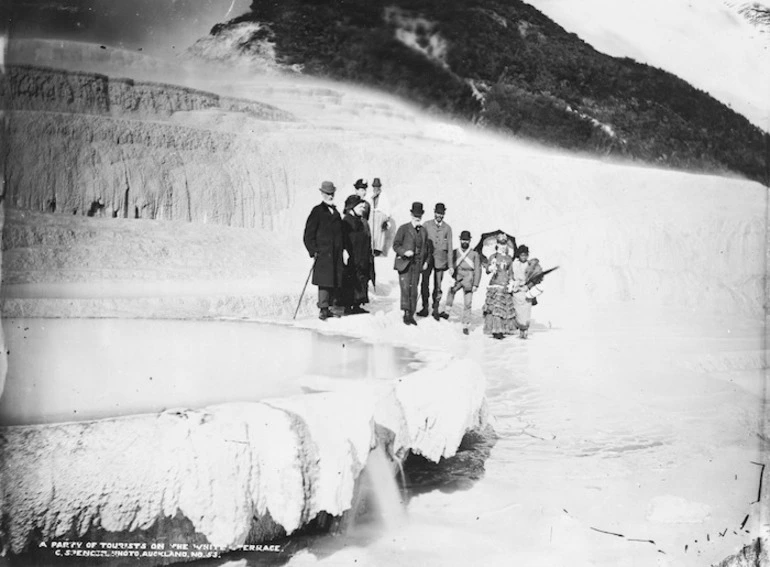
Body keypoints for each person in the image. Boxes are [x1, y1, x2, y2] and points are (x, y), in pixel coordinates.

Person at [303, 181, 345, 320]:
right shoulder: (317, 211)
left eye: (332, 193)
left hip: (336, 253)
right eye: (327, 193)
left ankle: (331, 308)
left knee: (334, 280)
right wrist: (313, 250)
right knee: (324, 282)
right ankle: (323, 309)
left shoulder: (336, 212)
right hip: (323, 253)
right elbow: (308, 234)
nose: (330, 196)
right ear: (322, 194)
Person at [392, 202, 429, 325]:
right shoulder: (403, 228)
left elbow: (427, 250)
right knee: (405, 288)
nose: (417, 217)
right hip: (405, 264)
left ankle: (411, 314)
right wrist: (404, 252)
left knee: (414, 290)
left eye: (419, 215)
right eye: (415, 215)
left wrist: (425, 262)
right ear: (411, 214)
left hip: (417, 264)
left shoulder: (424, 231)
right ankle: (406, 313)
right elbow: (395, 245)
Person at [341, 195, 374, 314]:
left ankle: (357, 304)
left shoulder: (361, 221)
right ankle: (348, 305)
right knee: (351, 279)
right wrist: (344, 252)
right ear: (351, 207)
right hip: (352, 256)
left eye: (363, 206)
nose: (363, 208)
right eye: (360, 206)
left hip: (362, 257)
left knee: (361, 278)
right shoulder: (346, 221)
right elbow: (343, 239)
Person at [419, 203, 453, 320]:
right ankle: (424, 307)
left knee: (438, 286)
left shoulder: (447, 228)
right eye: (438, 213)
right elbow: (420, 241)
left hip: (441, 261)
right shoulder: (427, 225)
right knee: (424, 283)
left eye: (441, 213)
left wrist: (451, 265)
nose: (439, 215)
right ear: (434, 212)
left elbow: (449, 247)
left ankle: (435, 309)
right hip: (427, 260)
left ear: (444, 214)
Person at [445, 230, 482, 335]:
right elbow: (450, 263)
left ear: (469, 241)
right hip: (457, 277)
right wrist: (450, 271)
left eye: (466, 240)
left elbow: (478, 270)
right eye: (463, 239)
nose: (464, 242)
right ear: (460, 240)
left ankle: (466, 324)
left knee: (468, 303)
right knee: (451, 291)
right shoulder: (455, 252)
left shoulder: (474, 254)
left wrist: (476, 284)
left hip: (469, 278)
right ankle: (447, 312)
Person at [482, 233, 517, 339]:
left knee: (503, 308)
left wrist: (512, 281)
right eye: (501, 243)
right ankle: (496, 330)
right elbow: (487, 270)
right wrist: (490, 268)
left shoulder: (509, 258)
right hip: (495, 284)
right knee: (495, 308)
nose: (503, 245)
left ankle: (503, 329)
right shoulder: (493, 257)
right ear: (497, 244)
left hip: (505, 284)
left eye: (504, 243)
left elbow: (510, 272)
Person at [510, 244, 544, 339]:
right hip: (516, 291)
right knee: (518, 312)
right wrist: (513, 284)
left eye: (525, 255)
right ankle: (520, 330)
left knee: (526, 312)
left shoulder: (531, 265)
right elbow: (511, 275)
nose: (523, 257)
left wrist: (527, 286)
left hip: (526, 291)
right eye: (521, 255)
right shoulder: (514, 264)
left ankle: (525, 330)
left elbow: (535, 278)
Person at [367, 177, 392, 256]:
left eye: (377, 187)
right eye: (374, 187)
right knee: (371, 232)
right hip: (371, 216)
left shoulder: (384, 196)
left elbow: (388, 209)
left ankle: (378, 250)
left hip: (380, 216)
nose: (376, 188)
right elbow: (367, 204)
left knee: (379, 234)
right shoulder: (370, 195)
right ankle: (370, 248)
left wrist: (386, 219)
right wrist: (372, 197)